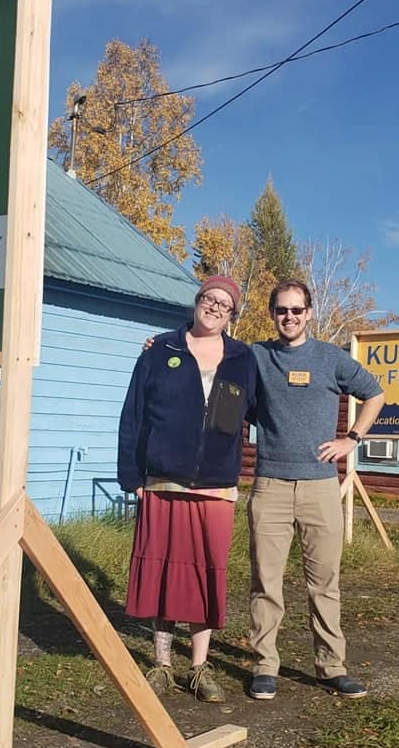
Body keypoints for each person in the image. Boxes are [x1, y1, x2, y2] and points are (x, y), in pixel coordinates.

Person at [118, 276, 256, 703]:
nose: (215, 308)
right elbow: (133, 415)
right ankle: (161, 665)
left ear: (232, 315)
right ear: (197, 302)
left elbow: (264, 410)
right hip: (163, 480)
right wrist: (131, 477)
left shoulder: (243, 359)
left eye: (224, 305)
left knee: (205, 574)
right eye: (209, 299)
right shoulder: (160, 350)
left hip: (216, 486)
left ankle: (198, 667)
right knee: (163, 572)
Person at [247, 279, 385, 701]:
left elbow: (375, 394)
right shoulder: (256, 356)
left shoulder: (331, 358)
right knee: (266, 582)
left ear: (309, 313)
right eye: (281, 310)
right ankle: (264, 666)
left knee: (324, 583)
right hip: (270, 485)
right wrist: (161, 345)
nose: (288, 317)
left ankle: (331, 667)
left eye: (296, 310)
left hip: (321, 486)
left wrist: (352, 439)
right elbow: (209, 353)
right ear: (272, 314)